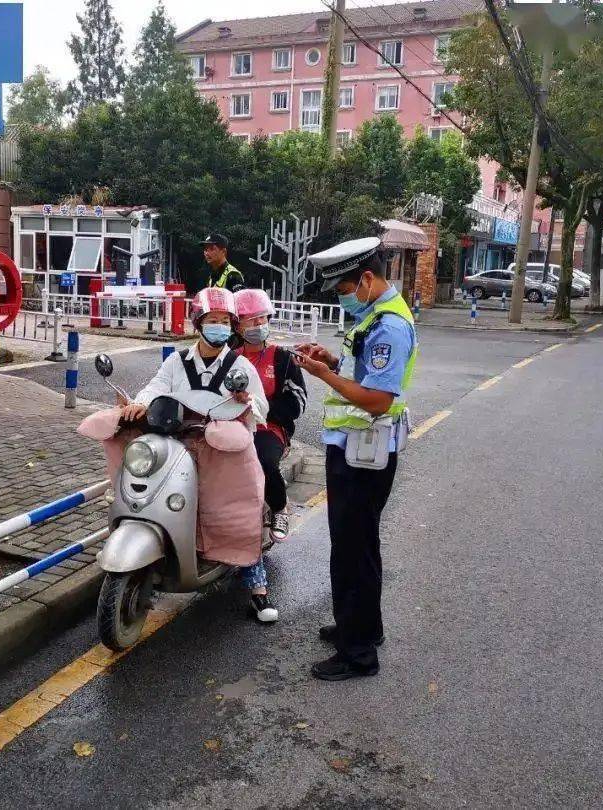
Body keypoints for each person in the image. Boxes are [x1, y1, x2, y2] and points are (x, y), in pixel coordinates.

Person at [294, 237, 417, 681]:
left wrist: (325, 375)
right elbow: (364, 373)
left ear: (367, 279)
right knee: (360, 545)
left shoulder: (389, 327)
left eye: (344, 289)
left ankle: (357, 653)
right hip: (358, 448)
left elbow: (380, 399)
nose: (342, 297)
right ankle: (363, 627)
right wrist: (331, 361)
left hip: (363, 453)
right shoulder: (376, 319)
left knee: (351, 549)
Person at [121, 287, 278, 623]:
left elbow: (262, 405)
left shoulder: (240, 365)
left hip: (226, 449)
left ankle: (257, 584)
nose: (219, 326)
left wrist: (248, 401)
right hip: (181, 443)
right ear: (198, 323)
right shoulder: (177, 361)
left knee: (239, 508)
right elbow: (156, 387)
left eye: (225, 321)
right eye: (212, 320)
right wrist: (139, 402)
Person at [233, 288, 308, 542]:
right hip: (234, 426)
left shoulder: (283, 359)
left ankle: (279, 507)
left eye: (262, 318)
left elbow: (298, 402)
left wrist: (261, 407)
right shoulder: (230, 359)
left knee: (263, 460)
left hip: (270, 428)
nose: (258, 324)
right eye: (251, 319)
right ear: (237, 324)